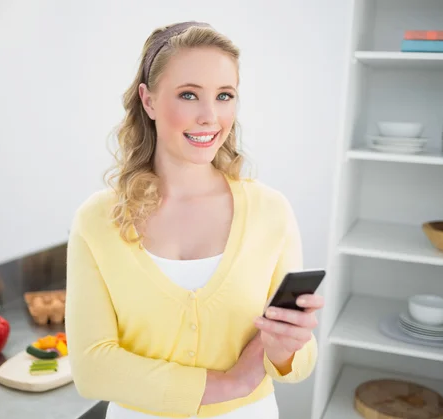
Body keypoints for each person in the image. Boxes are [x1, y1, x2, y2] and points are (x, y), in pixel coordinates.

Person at [65, 21, 325, 419]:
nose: (210, 116)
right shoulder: (97, 220)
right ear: (148, 101)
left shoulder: (270, 211)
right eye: (189, 95)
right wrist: (228, 384)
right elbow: (91, 368)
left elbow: (298, 362)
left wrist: (287, 349)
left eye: (225, 96)